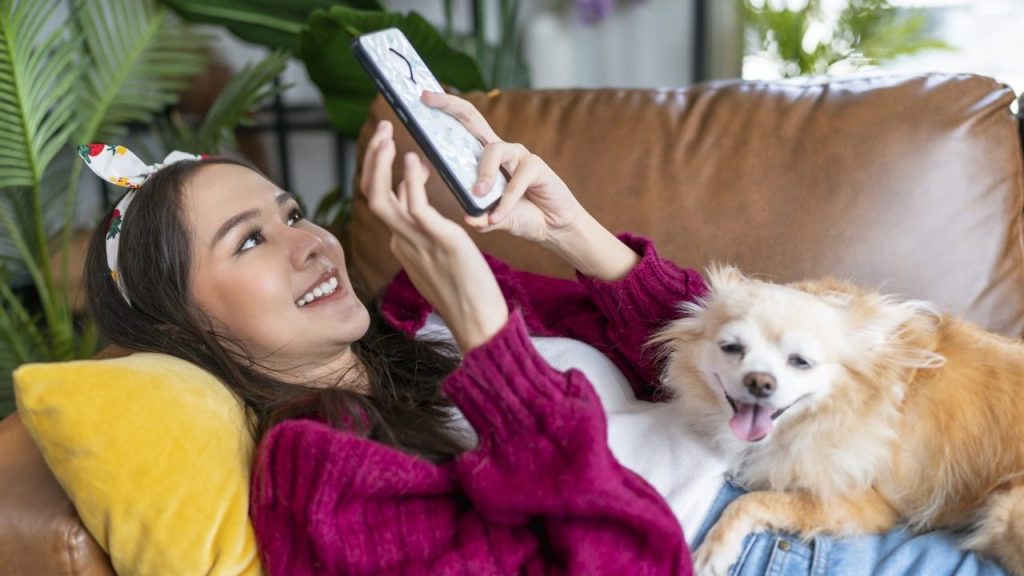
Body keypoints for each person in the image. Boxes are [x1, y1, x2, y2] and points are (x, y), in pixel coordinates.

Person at [81, 92, 1007, 576]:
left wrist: (576, 235)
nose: (310, 240)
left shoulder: (423, 311)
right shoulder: (314, 472)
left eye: (291, 212)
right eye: (252, 239)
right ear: (182, 323)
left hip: (848, 500)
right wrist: (494, 355)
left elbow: (708, 352)